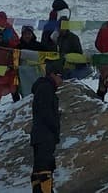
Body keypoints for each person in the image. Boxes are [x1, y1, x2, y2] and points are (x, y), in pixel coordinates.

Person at [30, 59, 63, 193]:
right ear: (53, 75)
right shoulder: (46, 89)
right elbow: (46, 112)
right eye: (61, 76)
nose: (62, 80)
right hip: (45, 135)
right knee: (45, 169)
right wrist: (55, 128)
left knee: (39, 170)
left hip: (39, 135)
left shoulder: (42, 88)